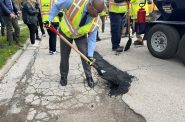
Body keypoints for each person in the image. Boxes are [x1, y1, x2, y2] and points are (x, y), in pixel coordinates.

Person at [45, 0, 104, 88]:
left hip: (80, 36)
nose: (96, 15)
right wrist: (49, 19)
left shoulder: (96, 21)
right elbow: (57, 5)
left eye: (98, 13)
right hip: (65, 32)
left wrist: (90, 55)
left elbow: (92, 40)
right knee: (64, 56)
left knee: (86, 56)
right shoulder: (74, 1)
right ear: (90, 5)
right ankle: (63, 76)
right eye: (95, 12)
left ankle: (89, 76)